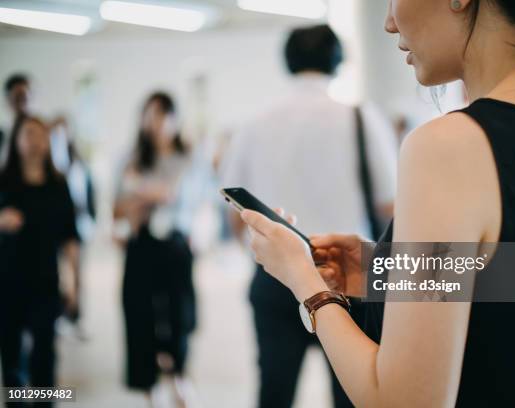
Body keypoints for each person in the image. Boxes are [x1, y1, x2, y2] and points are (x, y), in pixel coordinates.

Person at [240, 1, 515, 407]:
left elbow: (403, 402)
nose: (387, 21)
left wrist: (302, 279)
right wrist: (380, 270)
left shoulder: (452, 145)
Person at [221, 24, 397, 408]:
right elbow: (390, 205)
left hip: (275, 276)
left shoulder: (254, 123)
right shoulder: (361, 118)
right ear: (337, 60)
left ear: (288, 61)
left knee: (275, 390)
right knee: (353, 389)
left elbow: (236, 213)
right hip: (348, 273)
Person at [113, 92, 206, 407]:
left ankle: (178, 373)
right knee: (139, 314)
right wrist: (147, 196)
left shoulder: (190, 156)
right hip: (141, 244)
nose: (157, 122)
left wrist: (142, 191)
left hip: (176, 244)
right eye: (150, 114)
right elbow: (119, 207)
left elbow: (187, 198)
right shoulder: (132, 157)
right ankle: (148, 386)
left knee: (180, 315)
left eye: (163, 114)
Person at [0, 115, 80, 405]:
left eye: (40, 134)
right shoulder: (4, 182)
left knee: (44, 354)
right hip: (7, 281)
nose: (34, 141)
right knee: (11, 357)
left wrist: (73, 280)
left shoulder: (58, 185)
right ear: (16, 141)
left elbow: (70, 238)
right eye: (27, 134)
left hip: (46, 280)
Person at [1, 74, 32, 164]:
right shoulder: (3, 135)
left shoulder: (42, 132)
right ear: (8, 100)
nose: (22, 103)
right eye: (17, 97)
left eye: (25, 97)